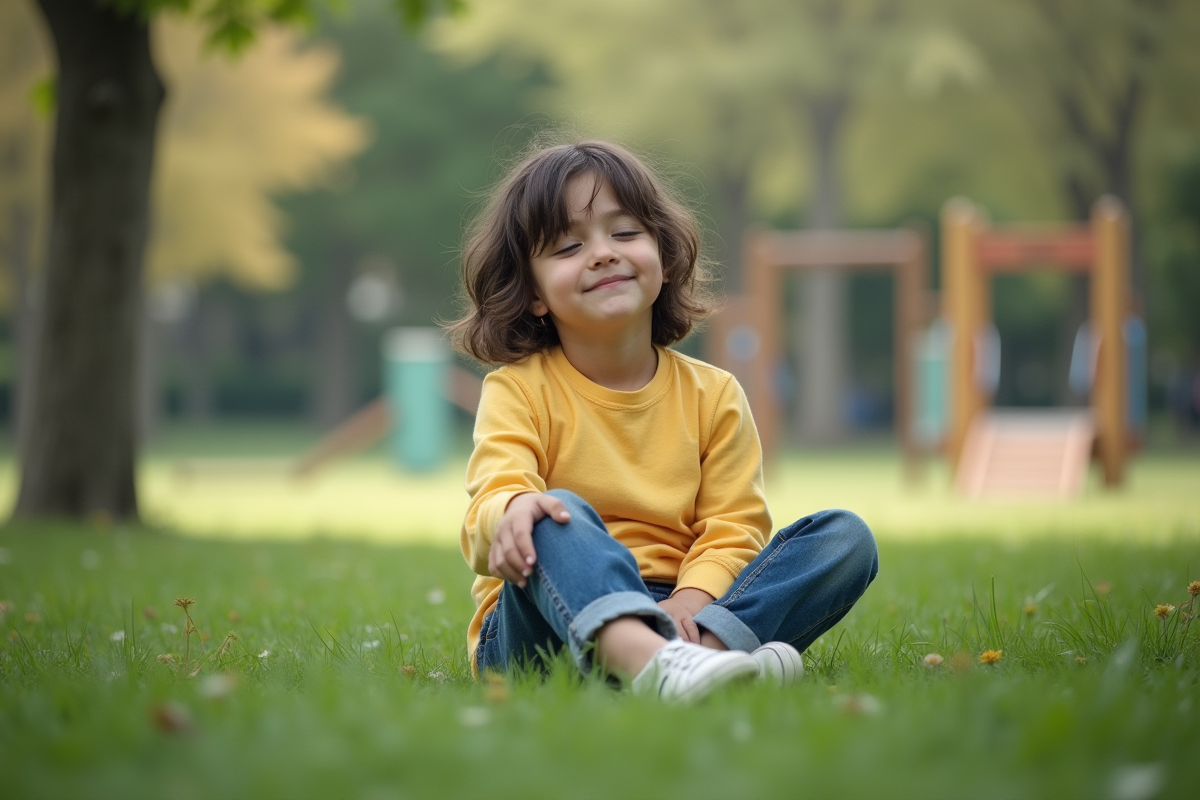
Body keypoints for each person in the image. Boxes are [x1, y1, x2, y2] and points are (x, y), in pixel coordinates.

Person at [446, 140, 878, 701]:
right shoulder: (518, 389)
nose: (602, 253)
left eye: (624, 233)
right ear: (533, 293)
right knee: (554, 511)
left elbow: (734, 529)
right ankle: (678, 663)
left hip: (683, 609)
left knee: (843, 539)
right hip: (539, 629)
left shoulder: (714, 394)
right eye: (569, 245)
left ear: (665, 258)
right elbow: (491, 505)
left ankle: (685, 663)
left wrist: (686, 604)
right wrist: (513, 510)